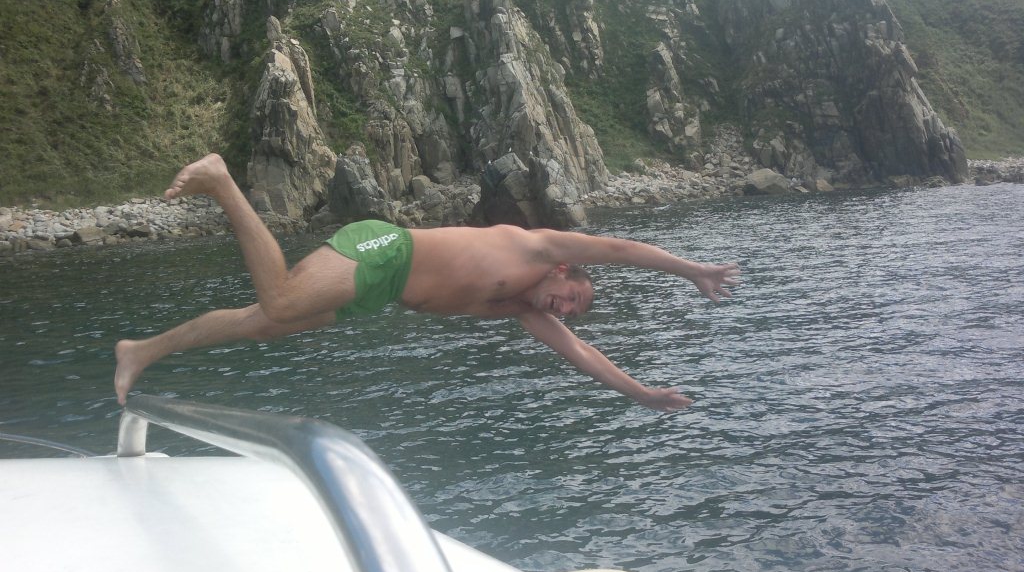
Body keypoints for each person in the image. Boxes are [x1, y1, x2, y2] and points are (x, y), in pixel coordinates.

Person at [114, 154, 740, 411]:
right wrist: (693, 271)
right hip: (386, 249)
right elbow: (622, 250)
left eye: (571, 310)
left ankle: (140, 351)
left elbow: (582, 354)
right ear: (563, 271)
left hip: (378, 294)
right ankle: (222, 180)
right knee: (279, 301)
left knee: (260, 325)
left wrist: (641, 394)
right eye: (573, 297)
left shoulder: (522, 309)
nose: (566, 310)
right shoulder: (538, 248)